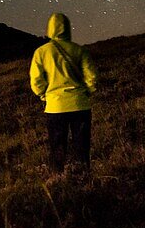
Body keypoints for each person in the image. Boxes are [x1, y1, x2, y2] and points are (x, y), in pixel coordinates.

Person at [29, 12, 98, 171]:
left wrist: (43, 95)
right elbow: (92, 77)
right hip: (80, 106)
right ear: (68, 28)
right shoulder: (79, 50)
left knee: (57, 149)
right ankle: (85, 182)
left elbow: (36, 80)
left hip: (55, 107)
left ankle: (59, 181)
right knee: (82, 149)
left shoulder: (41, 52)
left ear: (50, 29)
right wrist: (87, 92)